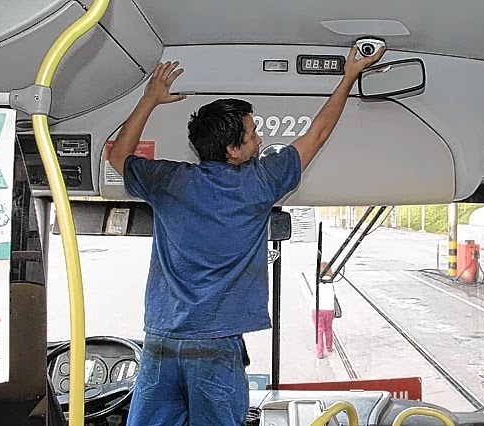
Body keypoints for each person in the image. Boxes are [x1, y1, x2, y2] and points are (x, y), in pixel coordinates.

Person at [108, 44, 385, 426]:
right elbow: (317, 134)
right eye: (253, 134)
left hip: (160, 343)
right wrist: (349, 76)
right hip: (216, 347)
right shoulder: (259, 182)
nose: (259, 140)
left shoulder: (168, 181)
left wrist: (150, 99)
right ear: (233, 150)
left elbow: (117, 155)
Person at [313, 262, 337, 359]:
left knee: (319, 330)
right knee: (328, 328)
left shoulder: (316, 281)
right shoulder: (331, 283)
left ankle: (320, 352)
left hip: (316, 309)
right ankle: (329, 347)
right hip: (329, 310)